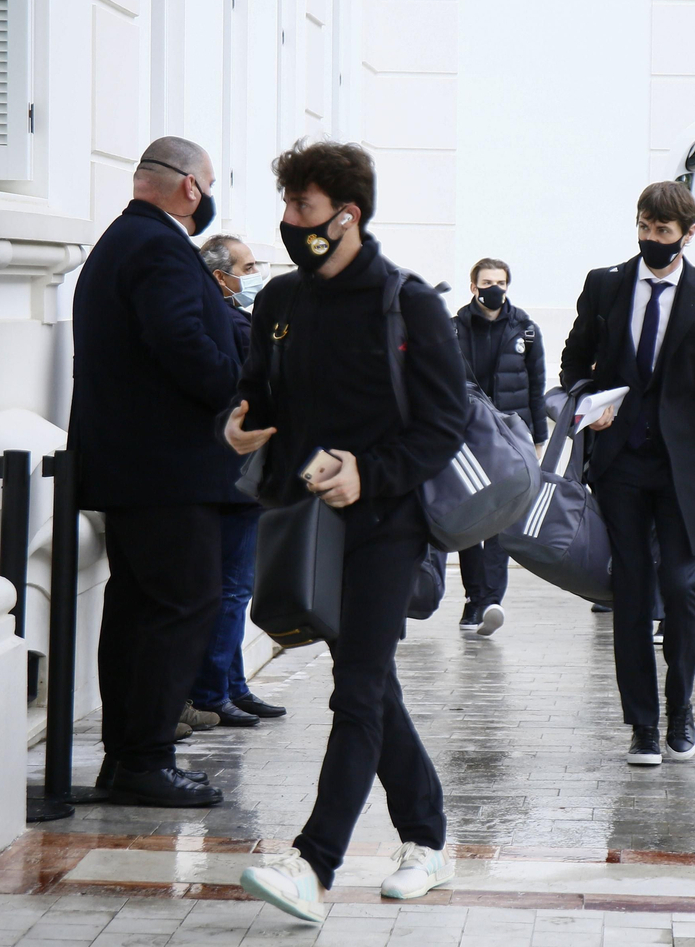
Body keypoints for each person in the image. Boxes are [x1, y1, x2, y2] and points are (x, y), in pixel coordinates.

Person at [230, 141, 468, 920]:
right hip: (308, 526)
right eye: (289, 206)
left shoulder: (408, 303)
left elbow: (444, 422)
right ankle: (428, 839)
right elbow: (264, 394)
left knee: (359, 686)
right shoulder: (280, 303)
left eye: (302, 208)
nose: (290, 221)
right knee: (372, 686)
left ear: (347, 214)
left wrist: (370, 470)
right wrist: (243, 426)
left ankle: (314, 862)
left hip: (388, 524)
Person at [560, 181, 695, 767]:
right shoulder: (605, 286)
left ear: (688, 235)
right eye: (644, 227)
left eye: (663, 231)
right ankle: (642, 725)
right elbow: (575, 359)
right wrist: (589, 405)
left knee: (679, 586)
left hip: (687, 469)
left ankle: (682, 709)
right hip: (620, 463)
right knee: (630, 592)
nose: (651, 239)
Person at [69, 136, 238, 808]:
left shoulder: (125, 239)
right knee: (181, 603)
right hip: (164, 468)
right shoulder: (159, 246)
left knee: (141, 608)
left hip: (136, 466)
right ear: (191, 188)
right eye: (212, 182)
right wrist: (235, 384)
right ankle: (144, 758)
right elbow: (181, 341)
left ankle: (129, 758)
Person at [188, 235, 286, 726]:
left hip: (237, 476)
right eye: (247, 267)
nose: (254, 274)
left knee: (234, 586)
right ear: (220, 277)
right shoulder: (232, 322)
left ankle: (233, 685)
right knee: (232, 589)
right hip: (234, 475)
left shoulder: (239, 319)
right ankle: (212, 691)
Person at [451, 257, 547, 636]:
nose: (494, 288)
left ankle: (490, 601)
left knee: (501, 520)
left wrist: (539, 439)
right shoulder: (452, 329)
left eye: (501, 282)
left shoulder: (525, 329)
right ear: (473, 286)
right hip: (467, 437)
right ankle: (473, 599)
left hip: (510, 438)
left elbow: (535, 386)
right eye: (487, 282)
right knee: (470, 520)